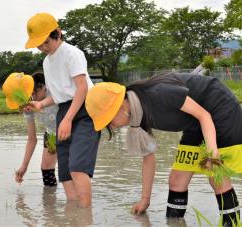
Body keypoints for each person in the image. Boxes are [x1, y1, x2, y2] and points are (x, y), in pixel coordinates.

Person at [85, 73, 242, 226]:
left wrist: (212, 154)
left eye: (108, 122)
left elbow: (204, 116)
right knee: (176, 179)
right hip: (193, 123)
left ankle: (231, 224)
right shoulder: (137, 115)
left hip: (218, 110)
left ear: (119, 108)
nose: (111, 126)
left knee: (216, 176)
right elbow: (148, 157)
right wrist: (145, 200)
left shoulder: (158, 93)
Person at [24, 13, 101, 207]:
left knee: (77, 168)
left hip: (85, 110)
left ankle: (85, 217)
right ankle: (73, 216)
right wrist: (41, 104)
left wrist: (67, 119)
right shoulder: (46, 62)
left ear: (58, 33)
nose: (42, 48)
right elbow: (58, 96)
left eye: (45, 42)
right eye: (39, 45)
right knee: (65, 171)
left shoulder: (72, 53)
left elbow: (82, 88)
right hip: (64, 110)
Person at [15, 72, 58, 187]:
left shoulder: (56, 93)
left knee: (72, 168)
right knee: (46, 168)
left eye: (35, 93)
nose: (33, 97)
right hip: (52, 135)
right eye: (30, 94)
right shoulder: (28, 106)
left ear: (44, 87)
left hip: (71, 131)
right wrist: (24, 166)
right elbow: (32, 139)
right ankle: (50, 200)